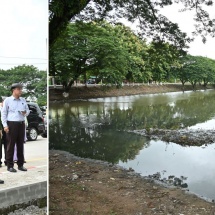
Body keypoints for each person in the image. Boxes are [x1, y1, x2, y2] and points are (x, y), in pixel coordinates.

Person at [1, 83, 30, 173]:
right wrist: (5, 125)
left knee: (20, 145)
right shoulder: (8, 100)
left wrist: (25, 112)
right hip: (11, 124)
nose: (20, 91)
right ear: (13, 90)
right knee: (10, 145)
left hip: (21, 123)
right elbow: (4, 113)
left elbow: (28, 111)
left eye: (21, 89)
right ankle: (10, 165)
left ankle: (20, 164)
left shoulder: (23, 100)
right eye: (19, 89)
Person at [0, 97, 7, 167]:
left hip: (6, 129)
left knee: (7, 145)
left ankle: (7, 160)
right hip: (1, 129)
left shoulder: (7, 109)